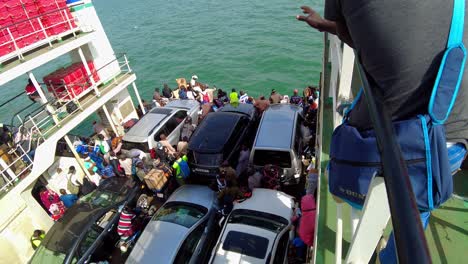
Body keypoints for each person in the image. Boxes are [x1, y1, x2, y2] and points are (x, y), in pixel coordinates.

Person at [297, 2, 468, 263]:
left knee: (349, 182)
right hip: (450, 145)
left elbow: (352, 36)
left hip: (379, 151)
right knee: (418, 205)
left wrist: (326, 25)